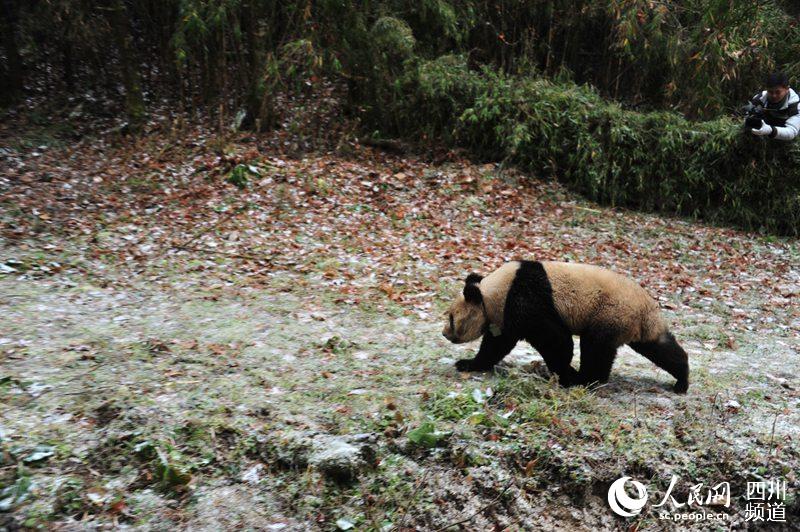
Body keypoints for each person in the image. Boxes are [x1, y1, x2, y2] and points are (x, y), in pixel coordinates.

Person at [744, 72, 800, 140]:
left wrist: (770, 130)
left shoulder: (795, 105)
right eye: (770, 92)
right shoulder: (759, 99)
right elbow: (747, 118)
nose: (774, 95)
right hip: (768, 133)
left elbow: (792, 132)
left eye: (778, 92)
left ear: (787, 89)